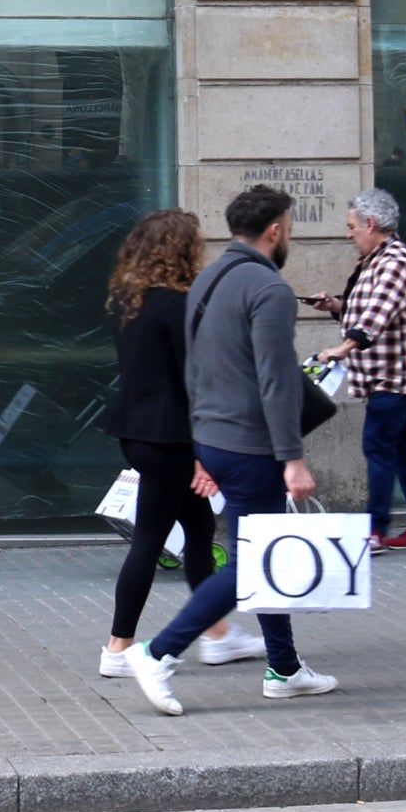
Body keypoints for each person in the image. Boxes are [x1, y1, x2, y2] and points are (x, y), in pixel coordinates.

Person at [123, 184, 339, 716]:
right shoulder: (268, 289)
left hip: (214, 440)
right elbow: (277, 380)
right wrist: (292, 458)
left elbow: (194, 371)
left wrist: (199, 445)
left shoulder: (210, 278)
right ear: (275, 229)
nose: (289, 233)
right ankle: (157, 652)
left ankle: (284, 668)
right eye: (289, 226)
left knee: (257, 557)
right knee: (251, 567)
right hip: (251, 448)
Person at [96, 210, 264, 677]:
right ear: (180, 250)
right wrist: (203, 451)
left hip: (137, 431)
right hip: (172, 437)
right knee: (150, 540)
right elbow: (196, 379)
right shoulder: (176, 304)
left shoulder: (128, 301)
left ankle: (216, 635)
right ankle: (118, 648)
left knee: (197, 531)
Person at [313, 188, 406, 553]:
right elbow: (366, 309)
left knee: (378, 445)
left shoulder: (394, 262)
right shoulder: (378, 259)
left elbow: (374, 319)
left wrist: (338, 351)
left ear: (370, 224)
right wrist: (335, 305)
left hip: (398, 376)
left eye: (352, 226)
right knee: (402, 447)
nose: (348, 233)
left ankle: (374, 532)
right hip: (391, 375)